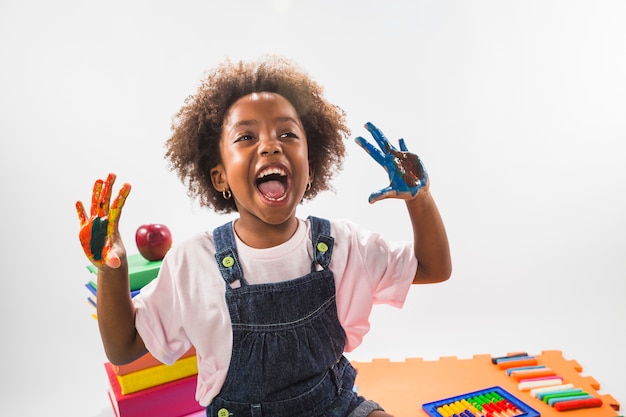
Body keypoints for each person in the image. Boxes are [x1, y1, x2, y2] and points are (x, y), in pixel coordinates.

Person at [76, 55, 452, 417]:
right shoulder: (194, 261)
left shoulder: (344, 244)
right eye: (246, 137)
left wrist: (420, 197)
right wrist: (113, 270)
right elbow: (124, 348)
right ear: (220, 176)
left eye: (287, 133)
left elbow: (434, 267)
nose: (271, 144)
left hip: (334, 406)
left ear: (310, 164)